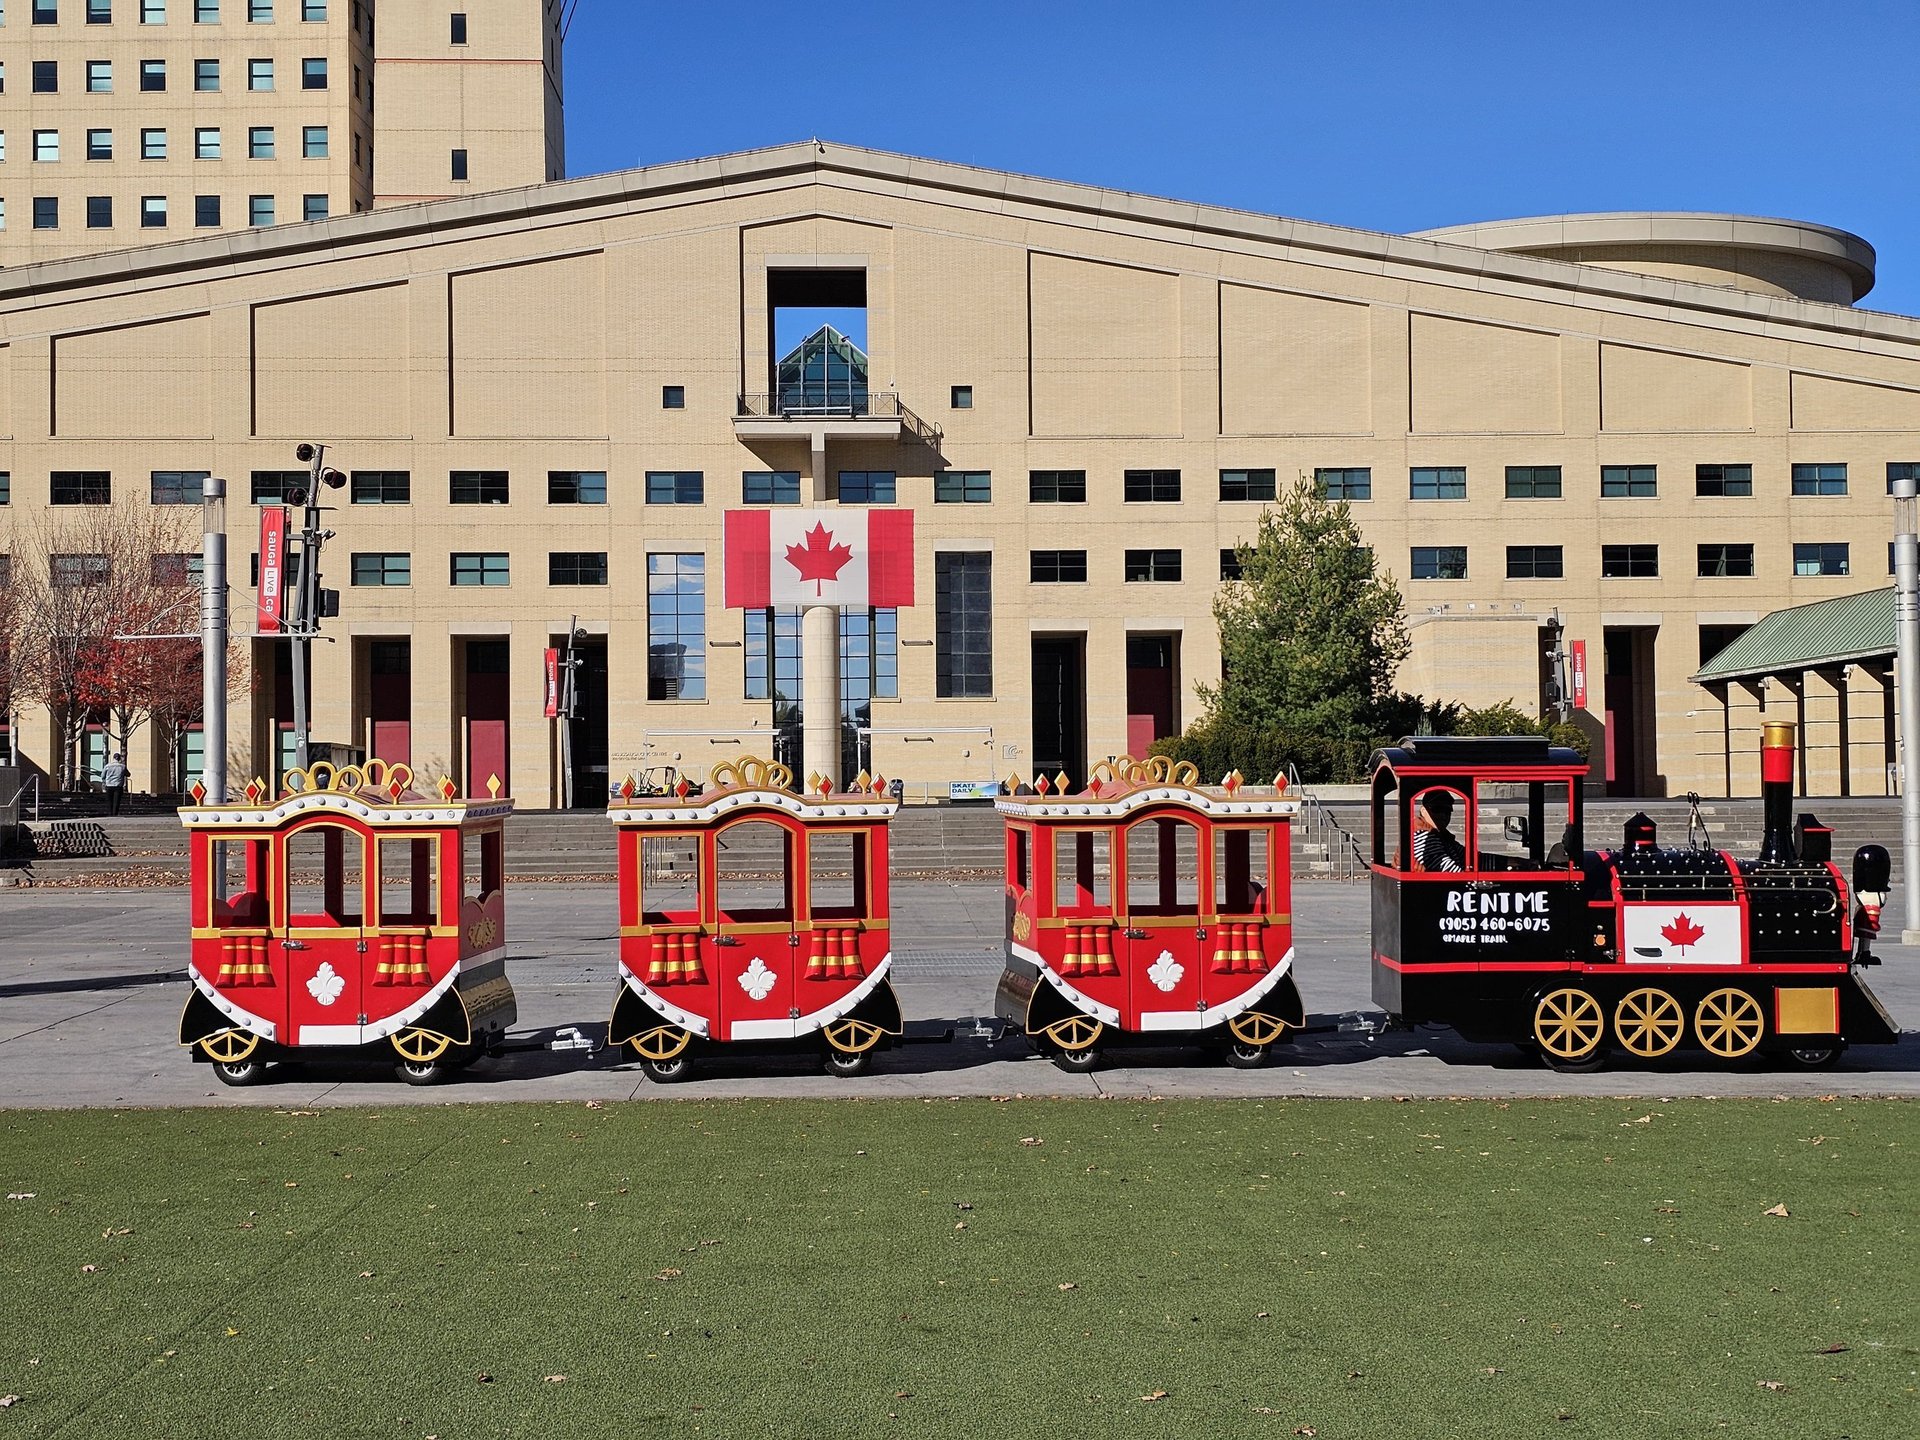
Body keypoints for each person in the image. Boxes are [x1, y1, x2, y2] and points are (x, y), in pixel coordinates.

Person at [1413, 789, 1466, 872]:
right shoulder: (1423, 835)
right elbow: (1445, 867)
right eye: (1437, 809)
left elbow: (1465, 855)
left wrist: (1492, 862)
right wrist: (1468, 879)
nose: (1443, 815)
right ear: (1423, 811)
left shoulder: (1442, 835)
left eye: (1447, 811)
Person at [100, 752, 129, 817]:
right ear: (119, 759)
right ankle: (115, 813)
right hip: (118, 785)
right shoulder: (122, 766)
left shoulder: (107, 766)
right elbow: (128, 774)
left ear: (113, 758)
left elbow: (102, 776)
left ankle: (110, 813)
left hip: (109, 785)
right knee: (117, 800)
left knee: (109, 800)